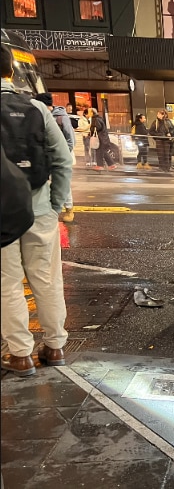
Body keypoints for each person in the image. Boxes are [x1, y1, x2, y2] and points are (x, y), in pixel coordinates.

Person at [1, 44, 73, 376]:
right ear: (11, 72)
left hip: (2, 215)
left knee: (7, 284)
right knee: (47, 280)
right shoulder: (36, 109)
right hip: (39, 208)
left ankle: (20, 355)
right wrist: (56, 204)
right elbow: (62, 161)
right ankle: (55, 347)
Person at [36, 93, 76, 222]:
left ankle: (69, 209)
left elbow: (71, 139)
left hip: (59, 155)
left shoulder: (60, 117)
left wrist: (63, 153)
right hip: (44, 156)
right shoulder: (38, 116)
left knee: (62, 180)